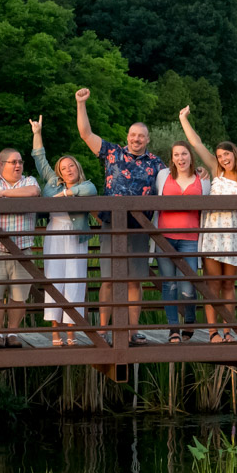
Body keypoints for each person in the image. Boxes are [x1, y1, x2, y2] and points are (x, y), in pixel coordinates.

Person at [75, 87, 165, 345]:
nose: (136, 139)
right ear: (128, 136)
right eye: (133, 135)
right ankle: (103, 329)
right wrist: (81, 104)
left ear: (148, 139)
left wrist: (200, 173)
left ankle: (131, 331)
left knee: (135, 280)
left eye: (141, 136)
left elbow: (175, 182)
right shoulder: (113, 152)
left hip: (140, 225)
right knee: (109, 279)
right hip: (111, 224)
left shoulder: (157, 164)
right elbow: (85, 134)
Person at [179, 106, 237, 344]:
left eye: (226, 155)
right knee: (212, 285)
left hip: (232, 235)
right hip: (212, 233)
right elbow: (197, 143)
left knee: (229, 284)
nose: (223, 159)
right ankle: (213, 332)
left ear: (235, 153)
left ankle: (229, 330)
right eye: (219, 156)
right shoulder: (215, 170)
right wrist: (183, 119)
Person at [0, 117, 41, 349]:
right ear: (1, 164)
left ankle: (13, 333)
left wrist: (2, 195)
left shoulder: (29, 180)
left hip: (22, 249)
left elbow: (33, 192)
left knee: (19, 296)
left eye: (20, 162)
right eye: (13, 162)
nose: (18, 165)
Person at [32, 117, 97, 347]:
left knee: (75, 282)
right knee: (55, 281)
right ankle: (55, 334)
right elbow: (40, 159)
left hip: (76, 237)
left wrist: (67, 195)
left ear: (76, 168)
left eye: (71, 166)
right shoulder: (52, 182)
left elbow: (91, 189)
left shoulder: (85, 186)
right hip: (55, 235)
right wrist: (37, 132)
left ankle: (72, 334)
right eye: (63, 167)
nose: (67, 170)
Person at [154, 138, 207, 343]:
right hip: (165, 238)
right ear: (172, 158)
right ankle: (173, 329)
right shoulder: (163, 175)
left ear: (190, 156)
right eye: (176, 154)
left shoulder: (201, 178)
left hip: (190, 239)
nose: (180, 158)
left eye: (184, 153)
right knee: (170, 285)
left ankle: (190, 321)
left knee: (188, 287)